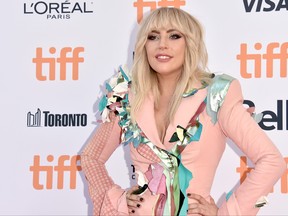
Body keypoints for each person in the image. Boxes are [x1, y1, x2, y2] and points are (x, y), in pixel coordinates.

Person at [80, 7, 285, 216]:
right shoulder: (127, 97)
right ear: (144, 46)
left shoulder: (216, 95)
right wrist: (119, 199)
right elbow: (91, 158)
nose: (162, 44)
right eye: (153, 36)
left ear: (190, 44)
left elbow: (271, 160)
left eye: (174, 36)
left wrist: (226, 213)